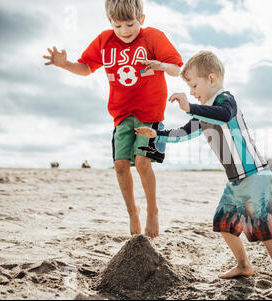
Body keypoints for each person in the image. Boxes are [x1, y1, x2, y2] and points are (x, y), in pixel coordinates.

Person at [135, 51, 272, 295]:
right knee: (223, 225)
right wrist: (158, 134)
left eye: (194, 85)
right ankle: (244, 265)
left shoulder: (225, 100)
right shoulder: (202, 112)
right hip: (236, 181)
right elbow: (183, 133)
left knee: (264, 229)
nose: (191, 91)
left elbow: (223, 116)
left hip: (255, 175)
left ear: (212, 79)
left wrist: (190, 106)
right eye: (188, 87)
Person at [43, 0, 183, 238]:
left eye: (130, 24)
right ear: (110, 22)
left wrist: (161, 65)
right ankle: (133, 212)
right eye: (118, 25)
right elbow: (86, 68)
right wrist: (64, 64)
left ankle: (152, 210)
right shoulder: (105, 41)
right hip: (121, 113)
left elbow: (177, 68)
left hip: (149, 114)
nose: (125, 31)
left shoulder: (153, 37)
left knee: (141, 162)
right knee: (120, 166)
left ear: (142, 19)